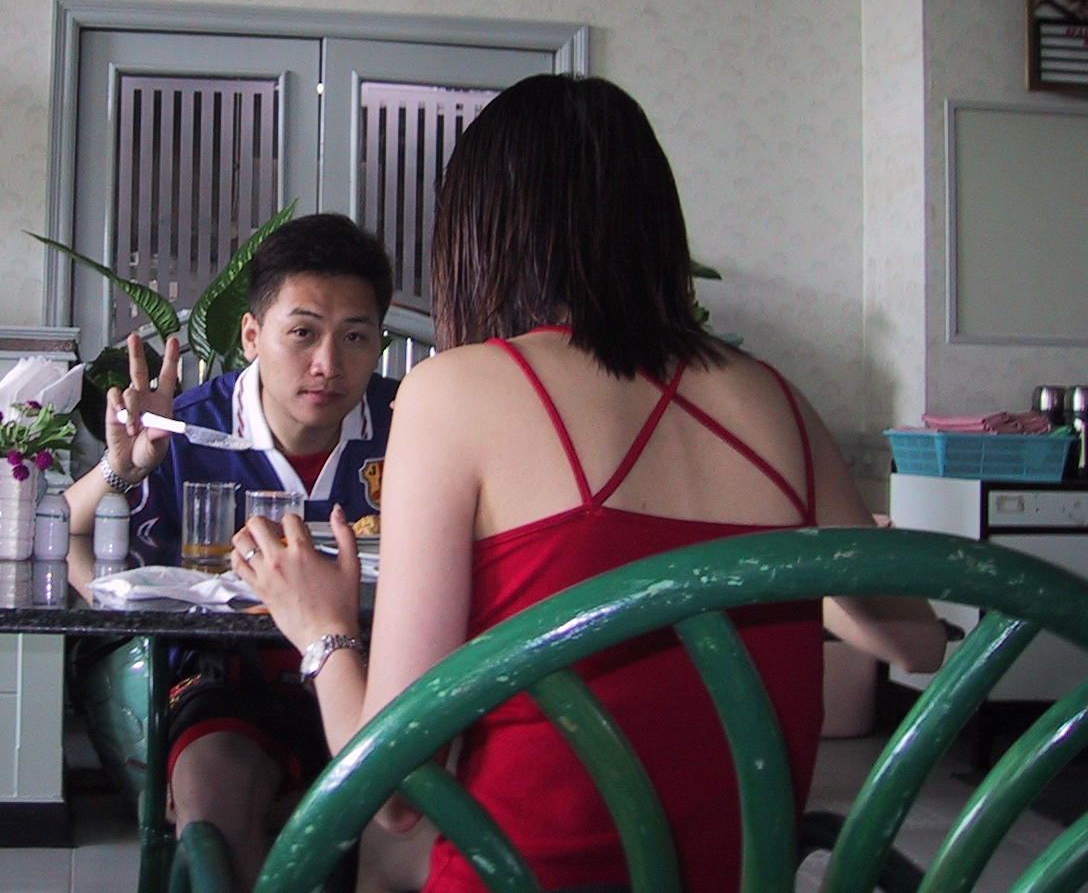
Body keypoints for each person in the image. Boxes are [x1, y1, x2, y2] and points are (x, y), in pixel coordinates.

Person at [233, 75, 947, 893]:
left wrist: (321, 629)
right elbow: (918, 644)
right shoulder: (777, 400)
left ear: (481, 232)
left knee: (382, 855)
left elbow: (396, 794)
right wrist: (779, 572)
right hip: (736, 878)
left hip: (528, 878)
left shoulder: (456, 391)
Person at [65, 212, 399, 889]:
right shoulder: (188, 426)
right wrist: (121, 470)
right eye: (302, 332)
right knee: (213, 814)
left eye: (355, 337)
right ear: (251, 336)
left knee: (401, 822)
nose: (327, 364)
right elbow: (65, 535)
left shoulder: (413, 423)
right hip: (229, 681)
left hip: (378, 678)